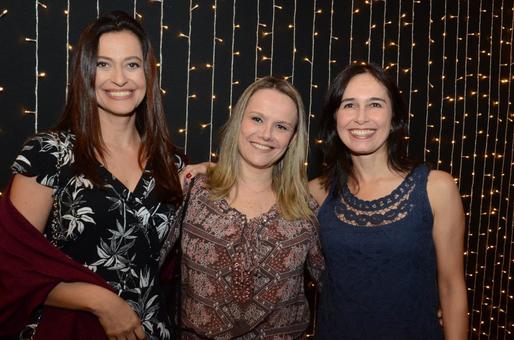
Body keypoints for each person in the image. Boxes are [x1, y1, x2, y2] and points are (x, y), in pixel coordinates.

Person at [0, 11, 184, 340]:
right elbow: (10, 265)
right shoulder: (48, 154)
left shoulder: (172, 164)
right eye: (103, 64)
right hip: (68, 330)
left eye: (131, 64)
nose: (120, 79)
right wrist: (100, 302)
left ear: (147, 73)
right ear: (86, 72)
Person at [309, 62, 468, 339]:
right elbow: (260, 193)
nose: (361, 117)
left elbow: (452, 289)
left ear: (394, 116)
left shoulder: (436, 188)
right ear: (335, 116)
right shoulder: (316, 192)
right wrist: (210, 171)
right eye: (349, 105)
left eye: (375, 104)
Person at [162, 76, 325, 339]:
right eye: (257, 119)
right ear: (239, 120)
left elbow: (337, 288)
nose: (266, 134)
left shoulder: (305, 211)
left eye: (281, 126)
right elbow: (144, 267)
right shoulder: (193, 191)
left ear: (293, 138)